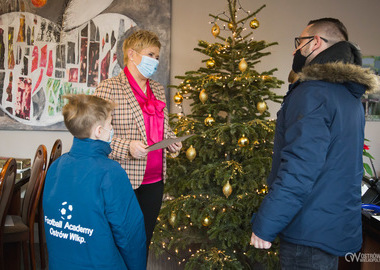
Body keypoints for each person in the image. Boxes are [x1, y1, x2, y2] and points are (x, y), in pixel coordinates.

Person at [250, 18, 379, 269]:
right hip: (330, 227)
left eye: (299, 43)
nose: (295, 50)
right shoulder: (349, 96)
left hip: (307, 231)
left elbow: (300, 168)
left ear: (316, 42)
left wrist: (267, 223)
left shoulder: (313, 93)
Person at [94, 29, 182, 252]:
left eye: (157, 57)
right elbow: (95, 135)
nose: (155, 61)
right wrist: (128, 147)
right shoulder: (108, 88)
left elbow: (163, 126)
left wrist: (171, 140)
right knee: (118, 244)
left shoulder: (158, 90)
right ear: (132, 54)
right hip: (122, 180)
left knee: (143, 243)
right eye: (151, 55)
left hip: (154, 181)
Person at [43, 94, 146, 270]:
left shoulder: (56, 167)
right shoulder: (111, 173)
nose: (112, 128)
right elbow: (130, 234)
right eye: (110, 123)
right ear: (99, 131)